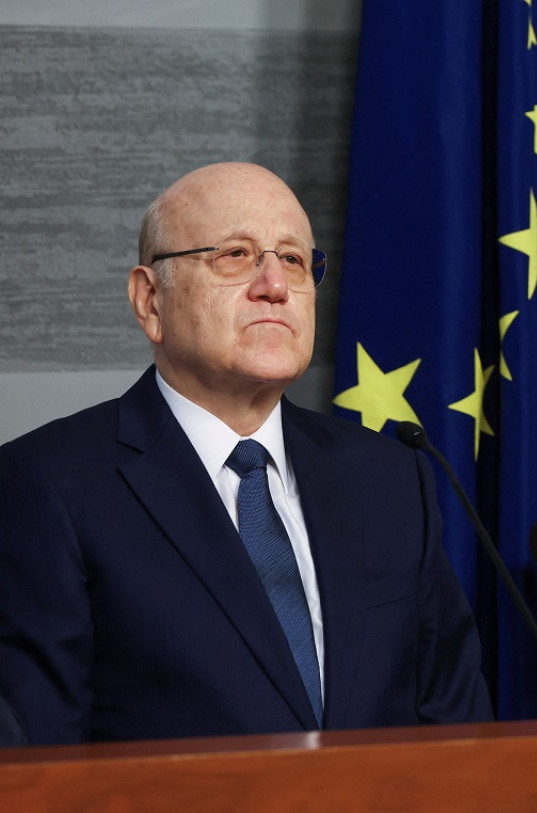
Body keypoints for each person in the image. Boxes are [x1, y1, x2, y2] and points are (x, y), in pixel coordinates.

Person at [0, 162, 492, 744]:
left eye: (293, 259)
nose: (275, 286)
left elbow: (458, 734)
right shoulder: (46, 486)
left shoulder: (390, 477)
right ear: (150, 300)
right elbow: (38, 765)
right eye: (235, 255)